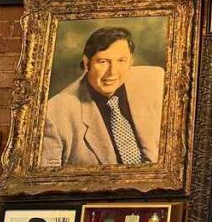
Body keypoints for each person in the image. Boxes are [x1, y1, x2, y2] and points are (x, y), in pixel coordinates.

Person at [41, 27, 164, 167]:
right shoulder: (54, 113)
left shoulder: (156, 82)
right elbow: (46, 181)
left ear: (131, 61)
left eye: (121, 60)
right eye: (103, 61)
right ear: (87, 63)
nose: (112, 72)